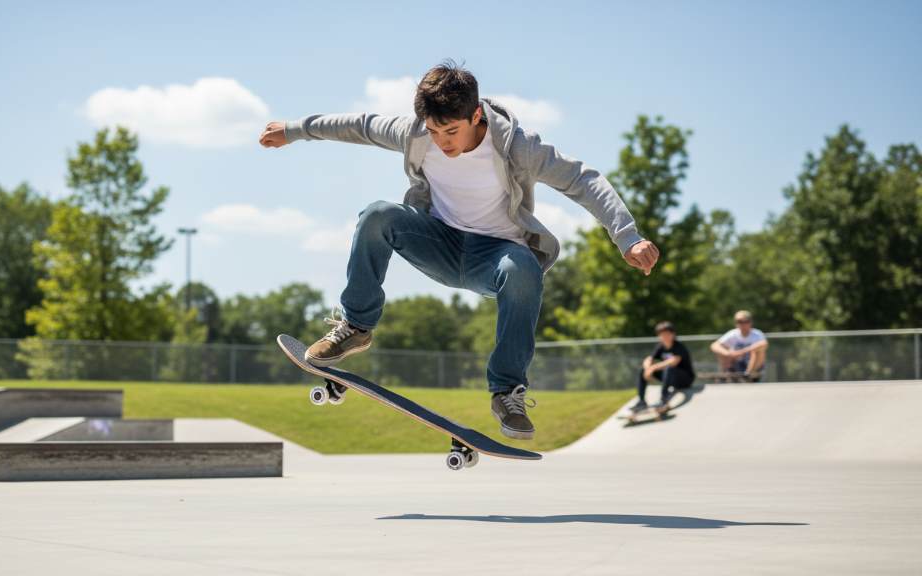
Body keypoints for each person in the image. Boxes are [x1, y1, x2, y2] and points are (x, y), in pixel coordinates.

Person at [259, 61, 659, 440]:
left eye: (450, 132)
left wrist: (627, 235)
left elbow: (580, 178)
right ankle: (357, 327)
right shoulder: (415, 133)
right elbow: (359, 126)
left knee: (523, 268)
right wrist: (294, 130)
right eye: (433, 132)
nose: (441, 142)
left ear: (476, 117)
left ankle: (507, 394)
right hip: (439, 242)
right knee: (378, 215)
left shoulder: (518, 145)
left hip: (497, 257)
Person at [632, 321, 695, 412]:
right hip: (670, 378)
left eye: (667, 334)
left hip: (685, 380)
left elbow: (673, 361)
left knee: (669, 368)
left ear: (673, 334)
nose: (664, 337)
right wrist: (647, 368)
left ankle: (664, 399)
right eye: (662, 335)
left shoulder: (679, 347)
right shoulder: (660, 347)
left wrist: (653, 368)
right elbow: (649, 359)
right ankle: (641, 401)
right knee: (642, 370)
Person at [710, 310, 768, 381]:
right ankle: (725, 373)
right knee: (723, 350)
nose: (742, 324)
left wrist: (743, 351)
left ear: (750, 322)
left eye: (745, 321)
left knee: (757, 351)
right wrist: (728, 353)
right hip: (736, 365)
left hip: (753, 368)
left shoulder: (757, 334)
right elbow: (714, 345)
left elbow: (764, 344)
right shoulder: (733, 334)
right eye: (739, 321)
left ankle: (748, 375)